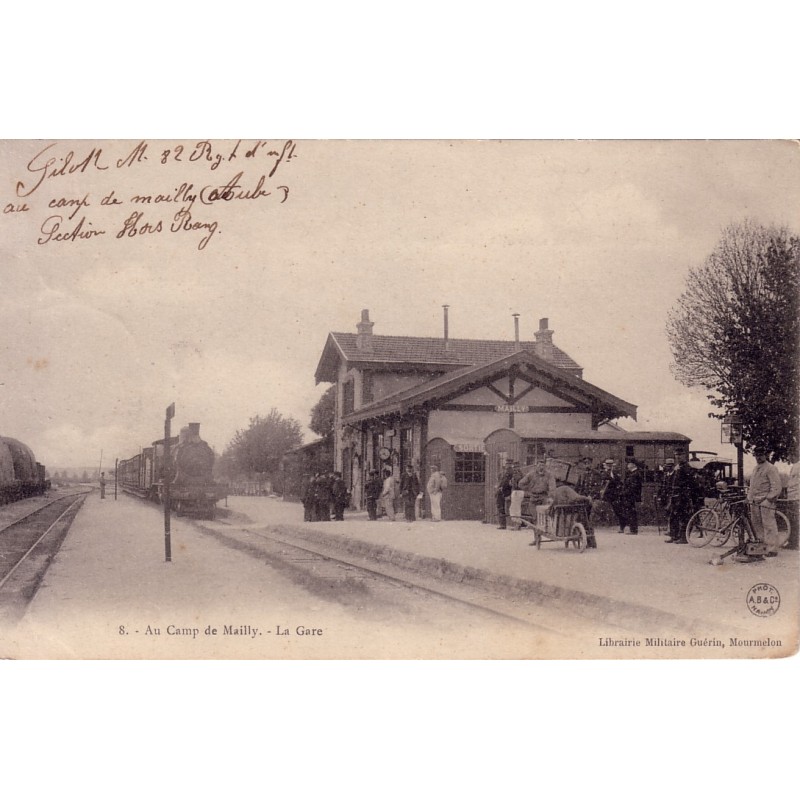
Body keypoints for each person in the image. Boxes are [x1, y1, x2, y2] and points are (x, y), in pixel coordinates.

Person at [747, 447, 783, 557]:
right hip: (754, 501)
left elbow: (776, 486)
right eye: (756, 455)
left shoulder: (770, 468)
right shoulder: (755, 468)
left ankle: (772, 549)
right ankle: (761, 547)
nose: (758, 457)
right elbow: (752, 486)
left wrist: (768, 499)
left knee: (769, 525)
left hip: (765, 501)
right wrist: (749, 498)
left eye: (760, 455)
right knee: (756, 525)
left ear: (765, 455)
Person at [663, 452, 698, 544]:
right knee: (673, 516)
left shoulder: (686, 467)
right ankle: (674, 536)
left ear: (684, 456)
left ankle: (684, 537)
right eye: (676, 455)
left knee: (684, 516)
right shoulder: (677, 467)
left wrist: (685, 492)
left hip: (683, 496)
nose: (678, 457)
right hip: (675, 495)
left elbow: (690, 482)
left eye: (680, 455)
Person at [550, 483, 597, 548]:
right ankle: (591, 543)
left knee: (582, 522)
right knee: (586, 523)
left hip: (563, 513)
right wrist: (587, 498)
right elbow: (575, 497)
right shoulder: (566, 489)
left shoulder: (556, 492)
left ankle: (588, 542)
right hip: (573, 511)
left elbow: (552, 505)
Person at [598, 458, 624, 532]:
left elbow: (619, 483)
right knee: (601, 510)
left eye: (611, 465)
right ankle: (601, 526)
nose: (609, 466)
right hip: (604, 495)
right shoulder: (602, 473)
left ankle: (622, 526)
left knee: (618, 510)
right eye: (608, 465)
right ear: (605, 466)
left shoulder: (615, 474)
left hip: (614, 495)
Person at [619, 462, 643, 534]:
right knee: (630, 512)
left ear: (633, 465)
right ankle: (632, 529)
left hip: (631, 496)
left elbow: (633, 487)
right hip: (630, 496)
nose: (627, 466)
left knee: (631, 513)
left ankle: (633, 530)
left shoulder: (635, 474)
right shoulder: (633, 473)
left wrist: (623, 493)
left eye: (629, 464)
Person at [495, 461, 514, 529]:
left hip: (505, 492)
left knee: (501, 507)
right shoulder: (504, 473)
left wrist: (500, 487)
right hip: (503, 491)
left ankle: (503, 524)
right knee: (501, 507)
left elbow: (505, 483)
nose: (507, 466)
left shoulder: (510, 473)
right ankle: (502, 524)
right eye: (507, 464)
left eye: (509, 464)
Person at [787, 455, 799, 551]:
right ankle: (792, 541)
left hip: (796, 497)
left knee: (794, 520)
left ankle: (794, 543)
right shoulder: (794, 466)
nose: (788, 457)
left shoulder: (798, 467)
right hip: (792, 496)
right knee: (792, 520)